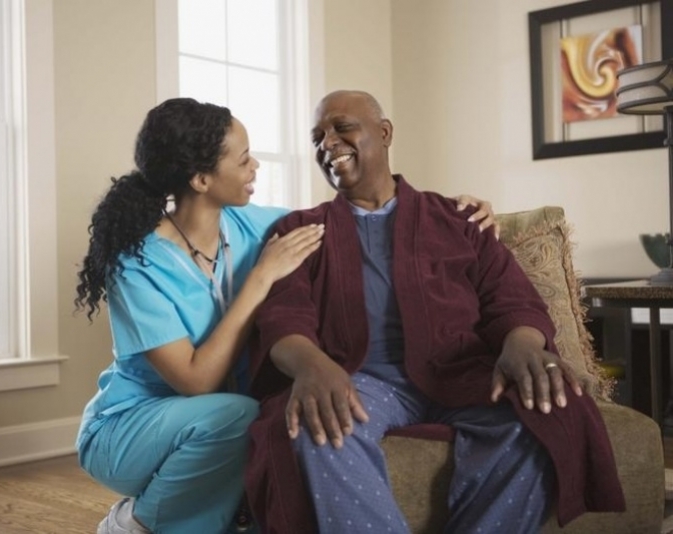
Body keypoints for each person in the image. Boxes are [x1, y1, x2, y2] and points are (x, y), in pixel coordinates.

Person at [73, 97, 500, 534]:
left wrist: (454, 210)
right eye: (242, 160)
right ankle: (135, 523)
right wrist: (260, 278)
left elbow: (354, 215)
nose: (255, 166)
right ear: (202, 179)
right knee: (243, 416)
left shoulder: (253, 225)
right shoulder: (136, 263)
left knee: (255, 426)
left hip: (216, 427)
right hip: (132, 430)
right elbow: (195, 381)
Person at [244, 90, 626, 534]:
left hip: (458, 372)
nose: (327, 142)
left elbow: (512, 298)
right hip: (357, 378)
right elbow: (282, 316)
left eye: (342, 127)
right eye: (317, 136)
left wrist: (522, 345)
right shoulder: (299, 229)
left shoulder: (459, 220)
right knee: (318, 426)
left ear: (384, 133)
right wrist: (313, 366)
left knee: (546, 417)